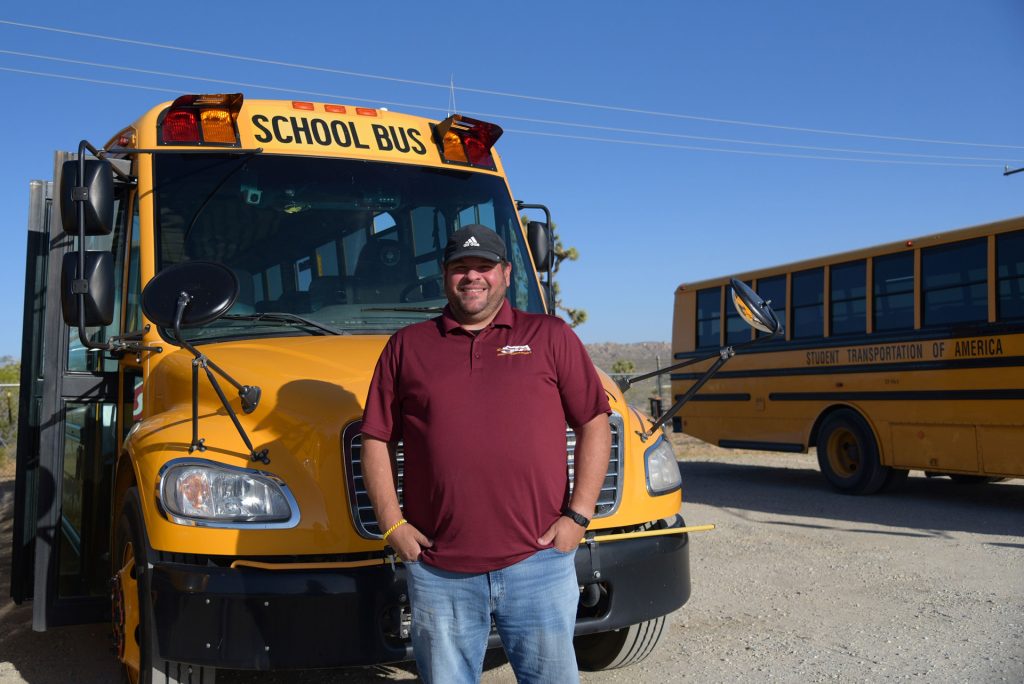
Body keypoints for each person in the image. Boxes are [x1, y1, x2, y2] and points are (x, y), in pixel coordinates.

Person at [360, 224, 612, 683]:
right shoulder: (407, 347)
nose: (472, 277)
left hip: (538, 562)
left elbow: (594, 422)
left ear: (506, 273)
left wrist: (577, 517)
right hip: (439, 571)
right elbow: (376, 438)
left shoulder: (550, 336)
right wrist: (392, 525)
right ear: (444, 276)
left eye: (484, 267)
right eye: (460, 267)